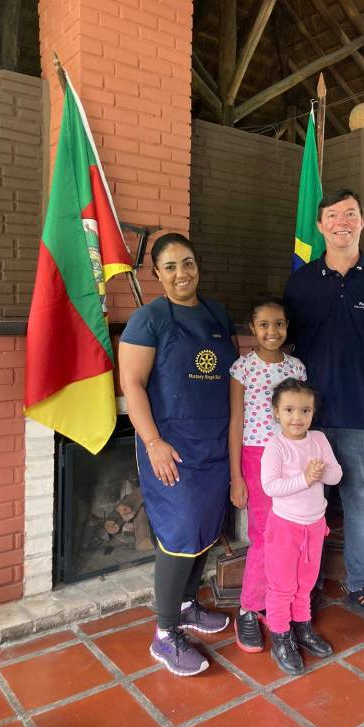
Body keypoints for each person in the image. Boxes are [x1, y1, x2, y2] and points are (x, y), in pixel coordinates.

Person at [283, 189, 364, 628]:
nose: (342, 221)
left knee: (361, 506)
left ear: (362, 222)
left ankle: (362, 587)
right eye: (333, 215)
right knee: (305, 505)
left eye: (351, 214)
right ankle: (304, 585)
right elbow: (283, 347)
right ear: (320, 226)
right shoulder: (300, 283)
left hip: (362, 417)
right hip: (306, 422)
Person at [119, 233, 238, 677]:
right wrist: (153, 443)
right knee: (178, 534)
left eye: (187, 263)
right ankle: (165, 633)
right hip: (170, 447)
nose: (181, 273)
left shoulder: (217, 314)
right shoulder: (148, 320)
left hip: (213, 443)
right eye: (170, 267)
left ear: (197, 265)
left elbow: (229, 377)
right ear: (157, 273)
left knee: (204, 528)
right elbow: (131, 385)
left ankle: (187, 605)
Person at [229, 297, 306, 653]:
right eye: (264, 324)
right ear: (252, 328)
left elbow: (302, 419)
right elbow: (236, 422)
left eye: (279, 324)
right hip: (256, 456)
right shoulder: (242, 369)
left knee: (290, 532)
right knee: (263, 535)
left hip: (291, 458)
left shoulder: (297, 369)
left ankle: (280, 602)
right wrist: (236, 476)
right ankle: (249, 607)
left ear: (287, 327)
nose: (272, 331)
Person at [261, 378, 342, 675]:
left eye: (305, 411)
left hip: (314, 525)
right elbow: (270, 486)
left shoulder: (318, 439)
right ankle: (281, 637)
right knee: (282, 586)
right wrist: (305, 479)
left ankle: (302, 627)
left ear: (313, 412)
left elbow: (336, 475)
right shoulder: (276, 446)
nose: (297, 417)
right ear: (276, 412)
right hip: (285, 527)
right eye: (289, 410)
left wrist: (320, 472)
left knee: (306, 583)